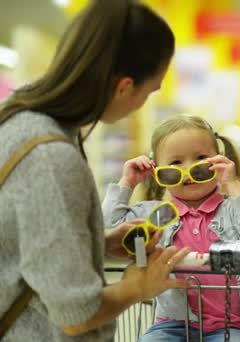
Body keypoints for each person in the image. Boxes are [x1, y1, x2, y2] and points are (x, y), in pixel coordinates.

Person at [0, 1, 192, 341]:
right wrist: (137, 287)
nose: (143, 102)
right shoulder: (50, 158)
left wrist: (96, 242)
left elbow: (17, 244)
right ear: (123, 87)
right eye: (149, 91)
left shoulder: (16, 120)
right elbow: (75, 315)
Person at [102, 114, 240, 342]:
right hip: (172, 324)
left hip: (230, 326)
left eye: (200, 159)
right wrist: (127, 183)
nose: (188, 170)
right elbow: (108, 231)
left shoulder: (233, 211)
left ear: (218, 161)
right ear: (158, 173)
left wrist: (232, 182)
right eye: (175, 164)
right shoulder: (155, 216)